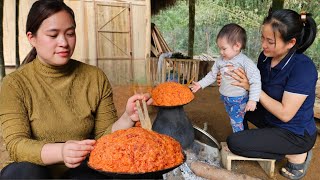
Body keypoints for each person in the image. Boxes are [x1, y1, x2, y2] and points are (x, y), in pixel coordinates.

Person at [0, 0, 152, 179]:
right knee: (23, 173)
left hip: (80, 171)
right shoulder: (14, 84)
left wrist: (127, 118)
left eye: (70, 33)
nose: (64, 42)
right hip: (32, 171)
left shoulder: (94, 77)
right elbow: (16, 145)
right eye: (53, 35)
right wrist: (62, 151)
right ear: (31, 38)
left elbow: (104, 140)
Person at [224, 9, 317, 180]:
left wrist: (252, 88)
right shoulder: (265, 57)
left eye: (270, 41)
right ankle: (256, 141)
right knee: (236, 103)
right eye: (262, 38)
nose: (263, 45)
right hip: (270, 118)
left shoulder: (303, 68)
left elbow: (285, 114)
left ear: (291, 43)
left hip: (294, 132)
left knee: (234, 143)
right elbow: (253, 85)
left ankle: (297, 154)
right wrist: (231, 77)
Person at [190, 23, 261, 133]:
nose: (220, 52)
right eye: (219, 48)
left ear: (237, 46)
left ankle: (239, 144)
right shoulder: (220, 60)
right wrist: (200, 84)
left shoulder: (245, 62)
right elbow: (212, 75)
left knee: (236, 122)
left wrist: (253, 100)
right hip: (226, 98)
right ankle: (241, 139)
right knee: (234, 119)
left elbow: (255, 81)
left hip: (239, 99)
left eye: (224, 49)